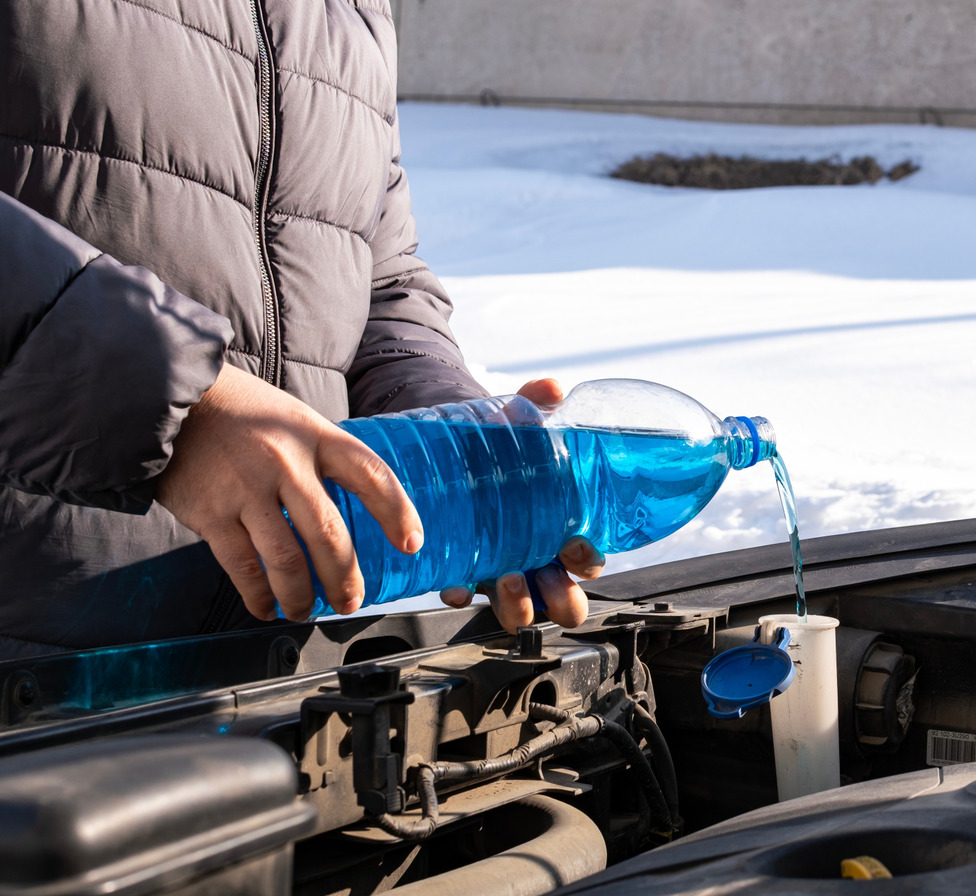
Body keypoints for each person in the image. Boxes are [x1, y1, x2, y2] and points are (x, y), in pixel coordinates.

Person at [0, 0, 600, 658]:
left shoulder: (351, 12)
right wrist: (178, 410)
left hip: (275, 663)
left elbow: (376, 272)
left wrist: (443, 434)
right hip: (40, 661)